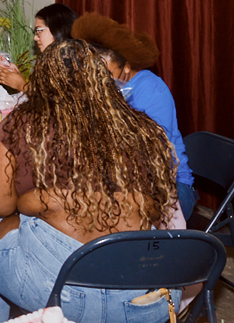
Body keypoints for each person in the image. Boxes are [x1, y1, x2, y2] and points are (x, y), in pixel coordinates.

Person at [0, 40, 179, 323]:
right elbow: (156, 205)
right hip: (145, 296)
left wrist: (36, 203)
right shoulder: (140, 127)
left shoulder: (25, 123)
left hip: (59, 294)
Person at [71, 12, 197, 218]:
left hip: (169, 185)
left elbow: (152, 152)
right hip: (118, 178)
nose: (101, 80)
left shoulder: (151, 89)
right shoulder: (97, 88)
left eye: (107, 73)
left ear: (126, 66)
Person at [0, 3, 77, 92]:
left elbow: (54, 101)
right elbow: (43, 92)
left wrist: (21, 85)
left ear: (58, 29)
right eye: (35, 33)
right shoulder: (52, 60)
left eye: (39, 31)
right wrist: (15, 74)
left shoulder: (75, 63)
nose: (35, 38)